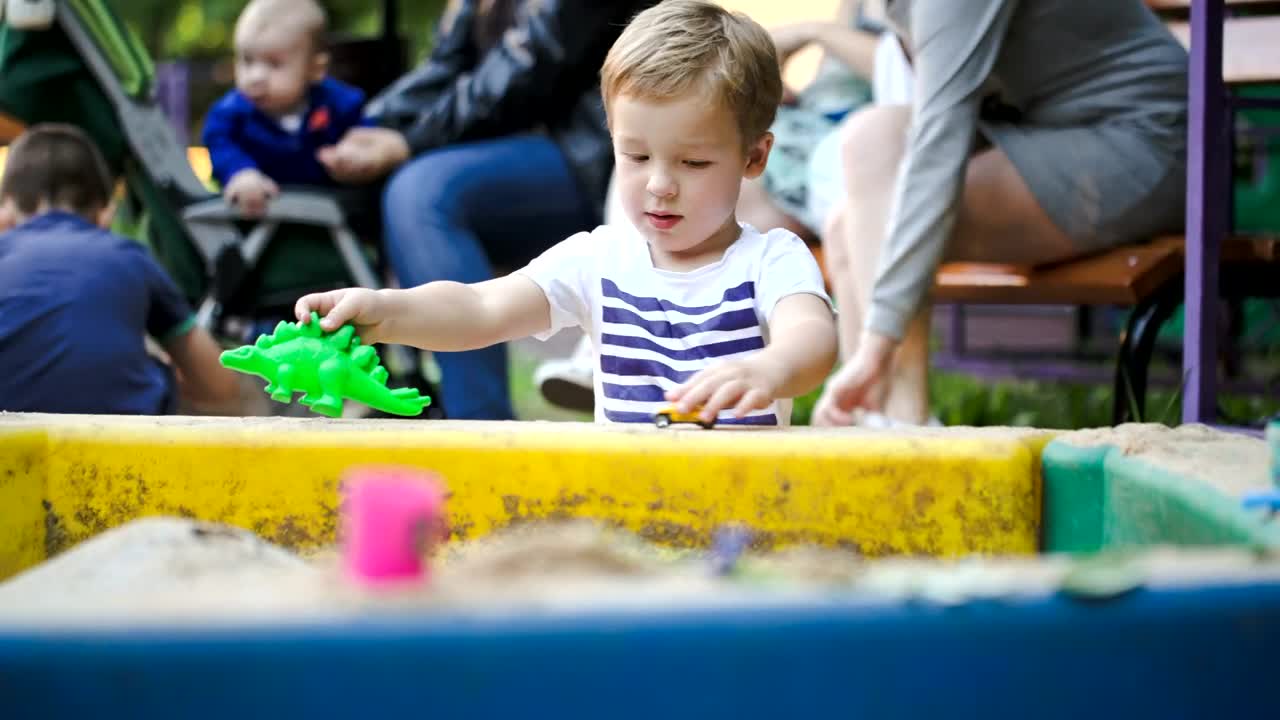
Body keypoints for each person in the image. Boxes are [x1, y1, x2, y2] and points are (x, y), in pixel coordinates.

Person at [294, 0, 838, 428]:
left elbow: (812, 338)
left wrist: (771, 368)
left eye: (693, 162)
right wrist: (386, 312)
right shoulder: (598, 258)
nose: (660, 185)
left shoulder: (770, 260)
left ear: (754, 157)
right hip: (622, 518)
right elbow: (482, 307)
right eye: (636, 156)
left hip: (742, 514)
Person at [812, 0, 1189, 426]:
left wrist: (877, 342)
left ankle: (906, 424)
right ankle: (868, 418)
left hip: (1148, 141)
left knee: (876, 219)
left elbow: (938, 148)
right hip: (1051, 129)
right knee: (867, 151)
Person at [308, 0, 658, 421]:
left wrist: (409, 142)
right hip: (507, 144)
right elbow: (444, 66)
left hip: (593, 157)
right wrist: (361, 131)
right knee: (374, 182)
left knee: (423, 191)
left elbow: (530, 64)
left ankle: (479, 423)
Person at [0, 124, 240, 415]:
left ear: (5, 215)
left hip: (12, 442)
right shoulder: (129, 257)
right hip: (120, 440)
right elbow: (219, 386)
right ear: (106, 215)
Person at [202, 0, 371, 217]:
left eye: (274, 64)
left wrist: (354, 152)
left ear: (315, 69)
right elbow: (219, 144)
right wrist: (240, 172)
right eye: (247, 60)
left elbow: (365, 134)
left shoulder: (340, 106)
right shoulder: (231, 114)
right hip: (260, 221)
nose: (255, 77)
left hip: (328, 223)